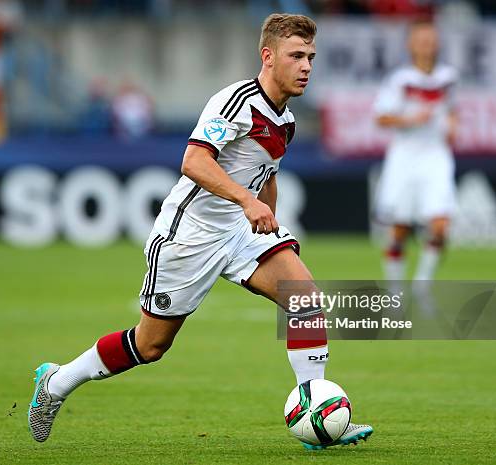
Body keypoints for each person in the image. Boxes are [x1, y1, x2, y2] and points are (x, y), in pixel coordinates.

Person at [28, 14, 373, 448]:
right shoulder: (235, 103)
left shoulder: (286, 118)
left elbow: (266, 173)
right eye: (297, 56)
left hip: (238, 232)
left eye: (311, 57)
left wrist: (272, 225)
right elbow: (193, 161)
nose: (306, 66)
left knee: (303, 295)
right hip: (188, 236)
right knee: (150, 346)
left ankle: (316, 415)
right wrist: (246, 201)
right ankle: (56, 383)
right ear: (268, 57)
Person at [373, 18, 458, 293]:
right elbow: (381, 118)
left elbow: (453, 110)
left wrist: (454, 125)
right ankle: (395, 291)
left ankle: (422, 286)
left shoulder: (448, 77)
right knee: (398, 229)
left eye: (431, 40)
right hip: (404, 158)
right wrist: (410, 119)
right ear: (411, 45)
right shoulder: (400, 79)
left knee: (441, 225)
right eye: (422, 40)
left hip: (436, 156)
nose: (427, 46)